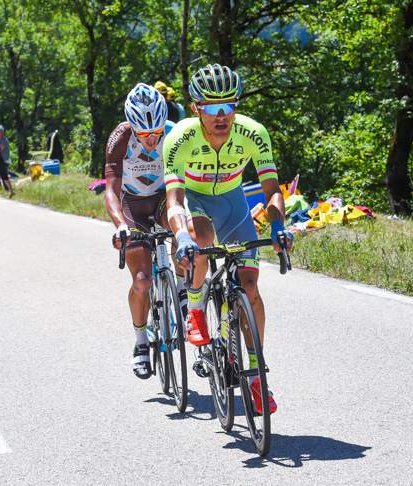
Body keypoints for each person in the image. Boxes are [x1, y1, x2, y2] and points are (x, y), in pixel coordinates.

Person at [163, 64, 293, 413]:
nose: (222, 116)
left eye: (229, 106)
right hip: (197, 198)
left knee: (250, 287)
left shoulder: (253, 133)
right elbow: (174, 200)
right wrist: (181, 236)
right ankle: (194, 309)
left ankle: (255, 377)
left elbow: (272, 191)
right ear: (196, 109)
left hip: (234, 203)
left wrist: (279, 226)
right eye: (212, 108)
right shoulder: (180, 139)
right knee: (200, 238)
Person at [104, 83, 175, 379]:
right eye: (144, 134)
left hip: (162, 198)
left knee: (184, 232)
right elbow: (110, 187)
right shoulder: (120, 137)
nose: (151, 139)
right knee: (143, 280)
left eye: (156, 132)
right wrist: (120, 225)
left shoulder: (174, 132)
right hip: (132, 204)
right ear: (133, 127)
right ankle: (141, 343)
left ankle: (184, 295)